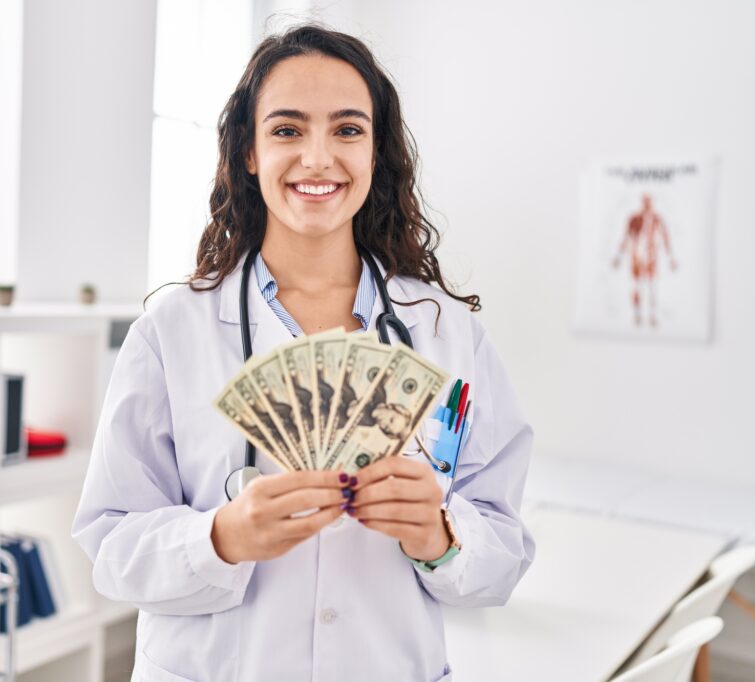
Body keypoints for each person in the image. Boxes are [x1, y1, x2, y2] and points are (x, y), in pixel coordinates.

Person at [72, 24, 534, 681]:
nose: (318, 158)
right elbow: (110, 545)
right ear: (250, 152)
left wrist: (440, 536)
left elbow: (505, 549)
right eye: (287, 129)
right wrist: (220, 540)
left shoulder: (447, 333)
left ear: (377, 152)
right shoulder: (172, 332)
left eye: (347, 130)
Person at [611, 193, 678, 327]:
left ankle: (652, 316)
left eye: (649, 202)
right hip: (637, 255)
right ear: (642, 203)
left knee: (652, 287)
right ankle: (637, 316)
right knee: (637, 286)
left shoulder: (657, 219)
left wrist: (670, 258)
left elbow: (665, 238)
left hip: (651, 255)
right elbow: (626, 237)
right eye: (645, 202)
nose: (647, 204)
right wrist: (619, 256)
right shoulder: (634, 218)